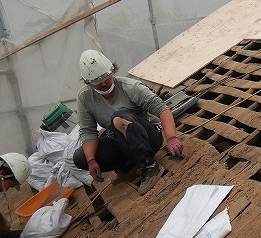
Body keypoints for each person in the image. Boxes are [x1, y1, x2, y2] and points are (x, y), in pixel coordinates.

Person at [72, 49, 184, 194]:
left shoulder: (130, 87)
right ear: (88, 83)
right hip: (121, 141)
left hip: (147, 138)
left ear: (112, 71)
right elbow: (88, 131)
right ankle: (126, 164)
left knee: (119, 118)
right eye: (97, 82)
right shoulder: (85, 98)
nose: (104, 84)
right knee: (80, 158)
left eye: (106, 77)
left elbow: (161, 109)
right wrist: (91, 160)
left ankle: (150, 165)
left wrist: (171, 138)